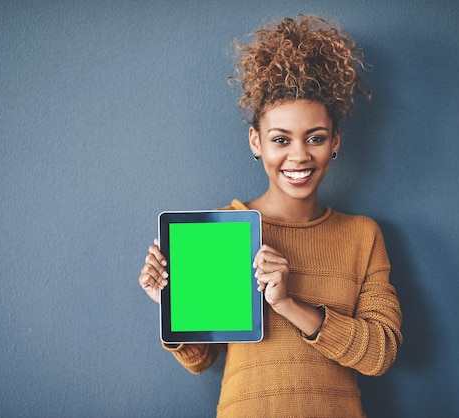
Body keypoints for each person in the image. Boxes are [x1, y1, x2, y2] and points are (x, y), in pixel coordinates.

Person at [138, 15, 402, 417]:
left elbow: (380, 353)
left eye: (315, 137)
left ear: (335, 141)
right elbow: (200, 360)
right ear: (256, 142)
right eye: (281, 139)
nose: (298, 156)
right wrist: (172, 306)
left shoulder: (362, 236)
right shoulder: (220, 228)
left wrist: (288, 304)